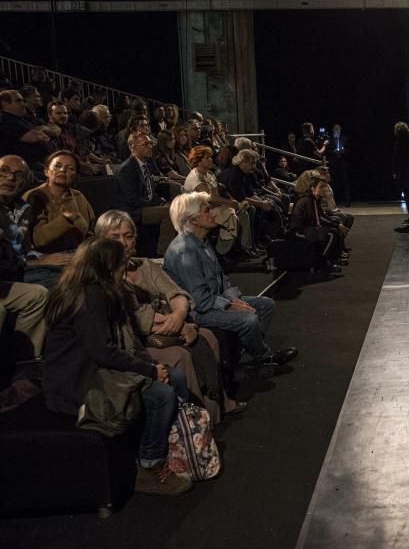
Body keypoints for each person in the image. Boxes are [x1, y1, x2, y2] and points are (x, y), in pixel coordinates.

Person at [42, 239, 192, 496]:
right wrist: (149, 372)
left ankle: (167, 450)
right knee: (160, 395)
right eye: (121, 267)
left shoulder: (108, 292)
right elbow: (102, 350)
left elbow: (129, 340)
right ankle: (149, 466)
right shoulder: (89, 296)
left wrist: (154, 365)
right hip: (81, 381)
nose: (125, 272)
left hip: (101, 368)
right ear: (106, 267)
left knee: (175, 376)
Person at [95, 210, 246, 425]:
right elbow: (132, 315)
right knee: (179, 355)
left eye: (128, 236)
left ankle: (217, 407)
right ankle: (195, 421)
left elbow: (177, 293)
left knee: (209, 337)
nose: (123, 242)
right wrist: (175, 326)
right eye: (115, 237)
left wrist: (178, 316)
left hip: (170, 324)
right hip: (139, 337)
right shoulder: (102, 274)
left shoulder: (145, 265)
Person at [163, 192, 297, 377]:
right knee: (247, 318)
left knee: (265, 305)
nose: (213, 213)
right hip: (198, 312)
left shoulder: (202, 242)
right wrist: (230, 305)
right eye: (207, 210)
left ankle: (243, 355)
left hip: (215, 301)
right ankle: (264, 357)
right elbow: (200, 300)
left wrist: (235, 299)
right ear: (193, 219)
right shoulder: (184, 251)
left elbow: (221, 277)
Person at [0, 155, 49, 359]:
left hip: (13, 273)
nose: (10, 178)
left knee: (39, 294)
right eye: (4, 171)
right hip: (8, 274)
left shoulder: (23, 208)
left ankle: (25, 363)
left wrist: (42, 258)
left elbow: (23, 247)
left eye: (18, 174)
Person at [23, 151, 96, 288]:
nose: (62, 170)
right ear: (46, 171)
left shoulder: (78, 196)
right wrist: (65, 220)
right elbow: (37, 239)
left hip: (78, 256)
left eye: (70, 169)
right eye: (57, 166)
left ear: (75, 175)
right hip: (48, 260)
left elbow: (91, 231)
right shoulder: (35, 197)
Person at [184, 145, 255, 257]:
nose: (211, 160)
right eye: (207, 158)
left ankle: (244, 247)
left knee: (243, 212)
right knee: (229, 213)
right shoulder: (195, 177)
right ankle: (222, 251)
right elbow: (210, 198)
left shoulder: (210, 174)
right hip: (199, 212)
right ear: (198, 160)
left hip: (212, 208)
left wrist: (233, 201)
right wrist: (231, 203)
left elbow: (218, 193)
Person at [114, 132, 176, 257]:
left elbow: (150, 193)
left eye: (150, 143)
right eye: (145, 144)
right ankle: (162, 254)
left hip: (144, 206)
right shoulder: (127, 169)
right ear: (132, 146)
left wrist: (162, 202)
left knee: (176, 207)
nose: (150, 146)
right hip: (133, 210)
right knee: (169, 212)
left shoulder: (144, 165)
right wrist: (157, 206)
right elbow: (133, 199)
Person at [288, 173, 345, 272]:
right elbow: (315, 221)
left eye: (324, 186)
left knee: (334, 230)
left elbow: (319, 218)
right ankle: (323, 262)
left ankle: (333, 260)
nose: (324, 189)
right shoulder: (308, 200)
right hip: (298, 231)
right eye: (321, 187)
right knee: (332, 233)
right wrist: (334, 225)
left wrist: (335, 224)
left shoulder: (315, 199)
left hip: (309, 228)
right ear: (313, 188)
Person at [0, 89, 59, 175]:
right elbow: (35, 137)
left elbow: (56, 130)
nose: (23, 104)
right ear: (5, 104)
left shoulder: (25, 118)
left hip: (40, 165)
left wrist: (41, 129)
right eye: (18, 101)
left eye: (23, 101)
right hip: (25, 169)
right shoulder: (6, 120)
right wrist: (42, 131)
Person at [391, 122, 409, 225]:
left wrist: (394, 172)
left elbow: (396, 159)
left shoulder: (398, 144)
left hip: (403, 173)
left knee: (408, 196)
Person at [327, 123, 351, 206]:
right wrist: (333, 152)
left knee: (345, 183)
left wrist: (343, 151)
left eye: (338, 129)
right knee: (333, 183)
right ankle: (334, 201)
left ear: (340, 130)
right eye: (335, 129)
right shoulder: (330, 139)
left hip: (343, 164)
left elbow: (349, 150)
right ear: (333, 130)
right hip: (333, 164)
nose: (337, 130)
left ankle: (347, 201)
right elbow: (327, 152)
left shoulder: (344, 139)